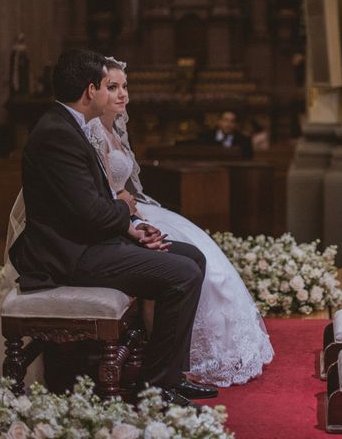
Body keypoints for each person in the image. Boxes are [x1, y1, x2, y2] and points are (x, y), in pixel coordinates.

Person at [0, 50, 214, 407]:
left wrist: (133, 229)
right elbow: (90, 214)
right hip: (69, 257)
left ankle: (171, 375)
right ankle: (156, 387)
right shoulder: (56, 134)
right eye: (105, 85)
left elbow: (87, 208)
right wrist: (124, 208)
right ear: (90, 90)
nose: (112, 94)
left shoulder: (69, 126)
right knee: (182, 274)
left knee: (192, 256)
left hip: (90, 243)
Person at [85, 58, 274, 387]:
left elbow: (126, 187)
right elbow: (104, 192)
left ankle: (177, 364)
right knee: (180, 259)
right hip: (117, 218)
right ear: (95, 90)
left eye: (125, 86)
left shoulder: (114, 130)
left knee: (204, 256)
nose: (122, 94)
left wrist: (133, 208)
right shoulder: (92, 133)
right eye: (112, 87)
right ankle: (164, 367)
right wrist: (130, 217)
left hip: (131, 211)